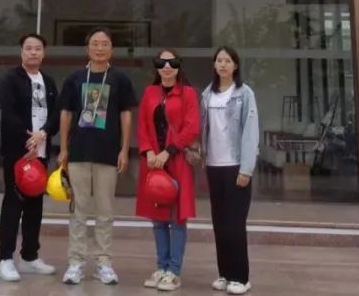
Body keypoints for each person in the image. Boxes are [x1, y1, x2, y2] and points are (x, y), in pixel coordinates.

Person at [57, 28, 138, 286]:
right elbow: (66, 113)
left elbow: (126, 115)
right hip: (78, 152)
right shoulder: (75, 78)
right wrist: (63, 148)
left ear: (111, 49)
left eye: (105, 44)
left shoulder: (120, 79)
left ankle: (104, 262)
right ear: (87, 49)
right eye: (95, 43)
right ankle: (76, 263)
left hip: (108, 153)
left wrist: (124, 149)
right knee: (79, 210)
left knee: (105, 211)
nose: (100, 48)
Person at [0, 33, 60, 282]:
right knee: (13, 204)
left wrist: (43, 134)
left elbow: (55, 115)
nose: (34, 52)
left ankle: (30, 257)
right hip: (18, 152)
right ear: (21, 52)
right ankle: (5, 259)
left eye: (38, 48)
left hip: (40, 152)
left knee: (35, 206)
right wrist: (28, 138)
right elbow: (9, 113)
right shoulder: (10, 79)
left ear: (44, 53)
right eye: (29, 48)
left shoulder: (49, 81)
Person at [136, 49, 200, 292]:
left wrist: (168, 152)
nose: (166, 67)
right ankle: (161, 267)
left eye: (172, 62)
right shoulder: (150, 92)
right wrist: (149, 152)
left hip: (177, 161)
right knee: (158, 218)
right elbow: (143, 125)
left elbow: (191, 128)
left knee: (177, 219)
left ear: (178, 66)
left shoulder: (188, 93)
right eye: (161, 62)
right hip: (153, 162)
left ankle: (174, 271)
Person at [201, 46, 259, 295]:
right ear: (214, 65)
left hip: (236, 166)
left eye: (228, 60)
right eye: (219, 60)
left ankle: (241, 278)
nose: (223, 64)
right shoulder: (207, 94)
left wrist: (246, 168)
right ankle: (225, 273)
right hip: (214, 166)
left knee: (235, 224)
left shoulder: (244, 94)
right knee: (220, 223)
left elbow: (250, 131)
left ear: (235, 65)